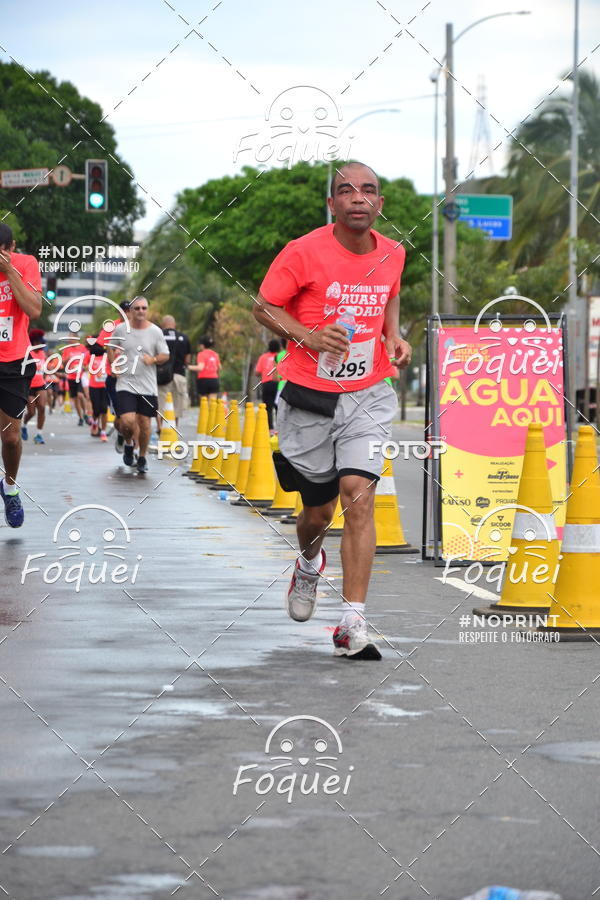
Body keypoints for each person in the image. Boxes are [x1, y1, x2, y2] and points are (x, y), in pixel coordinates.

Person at [254, 162, 411, 661]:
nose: (358, 198)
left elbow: (391, 295)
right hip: (309, 396)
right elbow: (263, 307)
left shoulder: (393, 253)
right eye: (347, 190)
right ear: (332, 204)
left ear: (379, 204)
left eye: (368, 190)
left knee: (358, 495)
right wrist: (309, 336)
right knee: (317, 511)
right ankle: (307, 563)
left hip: (369, 391)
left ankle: (353, 623)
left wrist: (392, 336)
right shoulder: (304, 251)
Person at [0, 223, 42, 527]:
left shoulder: (26, 264)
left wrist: (10, 270)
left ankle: (10, 488)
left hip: (14, 361)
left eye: (7, 250)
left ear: (12, 247)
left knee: (11, 437)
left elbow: (34, 308)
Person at [108, 295, 169, 474]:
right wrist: (114, 365)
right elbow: (110, 347)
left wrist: (154, 359)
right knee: (127, 422)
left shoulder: (156, 331)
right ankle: (128, 444)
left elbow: (165, 355)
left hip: (148, 386)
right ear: (130, 311)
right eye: (137, 308)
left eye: (144, 308)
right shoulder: (120, 329)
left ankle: (142, 457)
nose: (141, 311)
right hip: (125, 383)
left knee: (145, 424)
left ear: (147, 310)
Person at [156, 315, 191, 438]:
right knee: (176, 404)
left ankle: (160, 427)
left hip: (161, 375)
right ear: (174, 325)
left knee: (160, 402)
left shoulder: (158, 336)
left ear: (162, 325)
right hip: (179, 374)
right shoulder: (184, 337)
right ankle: (173, 427)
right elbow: (187, 359)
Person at [23, 328, 48, 444]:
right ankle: (24, 425)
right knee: (31, 412)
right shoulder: (28, 352)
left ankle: (39, 434)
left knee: (42, 408)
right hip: (29, 386)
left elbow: (45, 368)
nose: (42, 344)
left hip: (41, 385)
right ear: (34, 342)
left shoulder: (43, 353)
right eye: (40, 342)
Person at [84, 336, 109, 441]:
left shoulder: (107, 356)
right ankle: (94, 423)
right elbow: (84, 366)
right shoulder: (89, 355)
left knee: (104, 409)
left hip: (105, 386)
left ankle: (103, 432)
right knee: (96, 410)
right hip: (94, 386)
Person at [60, 332, 88, 425]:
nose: (69, 339)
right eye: (68, 337)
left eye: (70, 337)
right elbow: (63, 364)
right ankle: (80, 418)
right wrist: (67, 360)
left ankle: (85, 414)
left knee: (80, 395)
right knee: (75, 398)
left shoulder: (82, 348)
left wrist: (84, 366)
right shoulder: (67, 349)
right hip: (71, 377)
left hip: (80, 376)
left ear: (76, 338)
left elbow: (87, 361)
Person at [254, 338, 280, 431]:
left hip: (266, 384)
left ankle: (270, 429)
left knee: (267, 407)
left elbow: (257, 372)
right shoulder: (281, 356)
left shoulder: (263, 357)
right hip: (278, 384)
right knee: (278, 406)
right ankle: (279, 428)